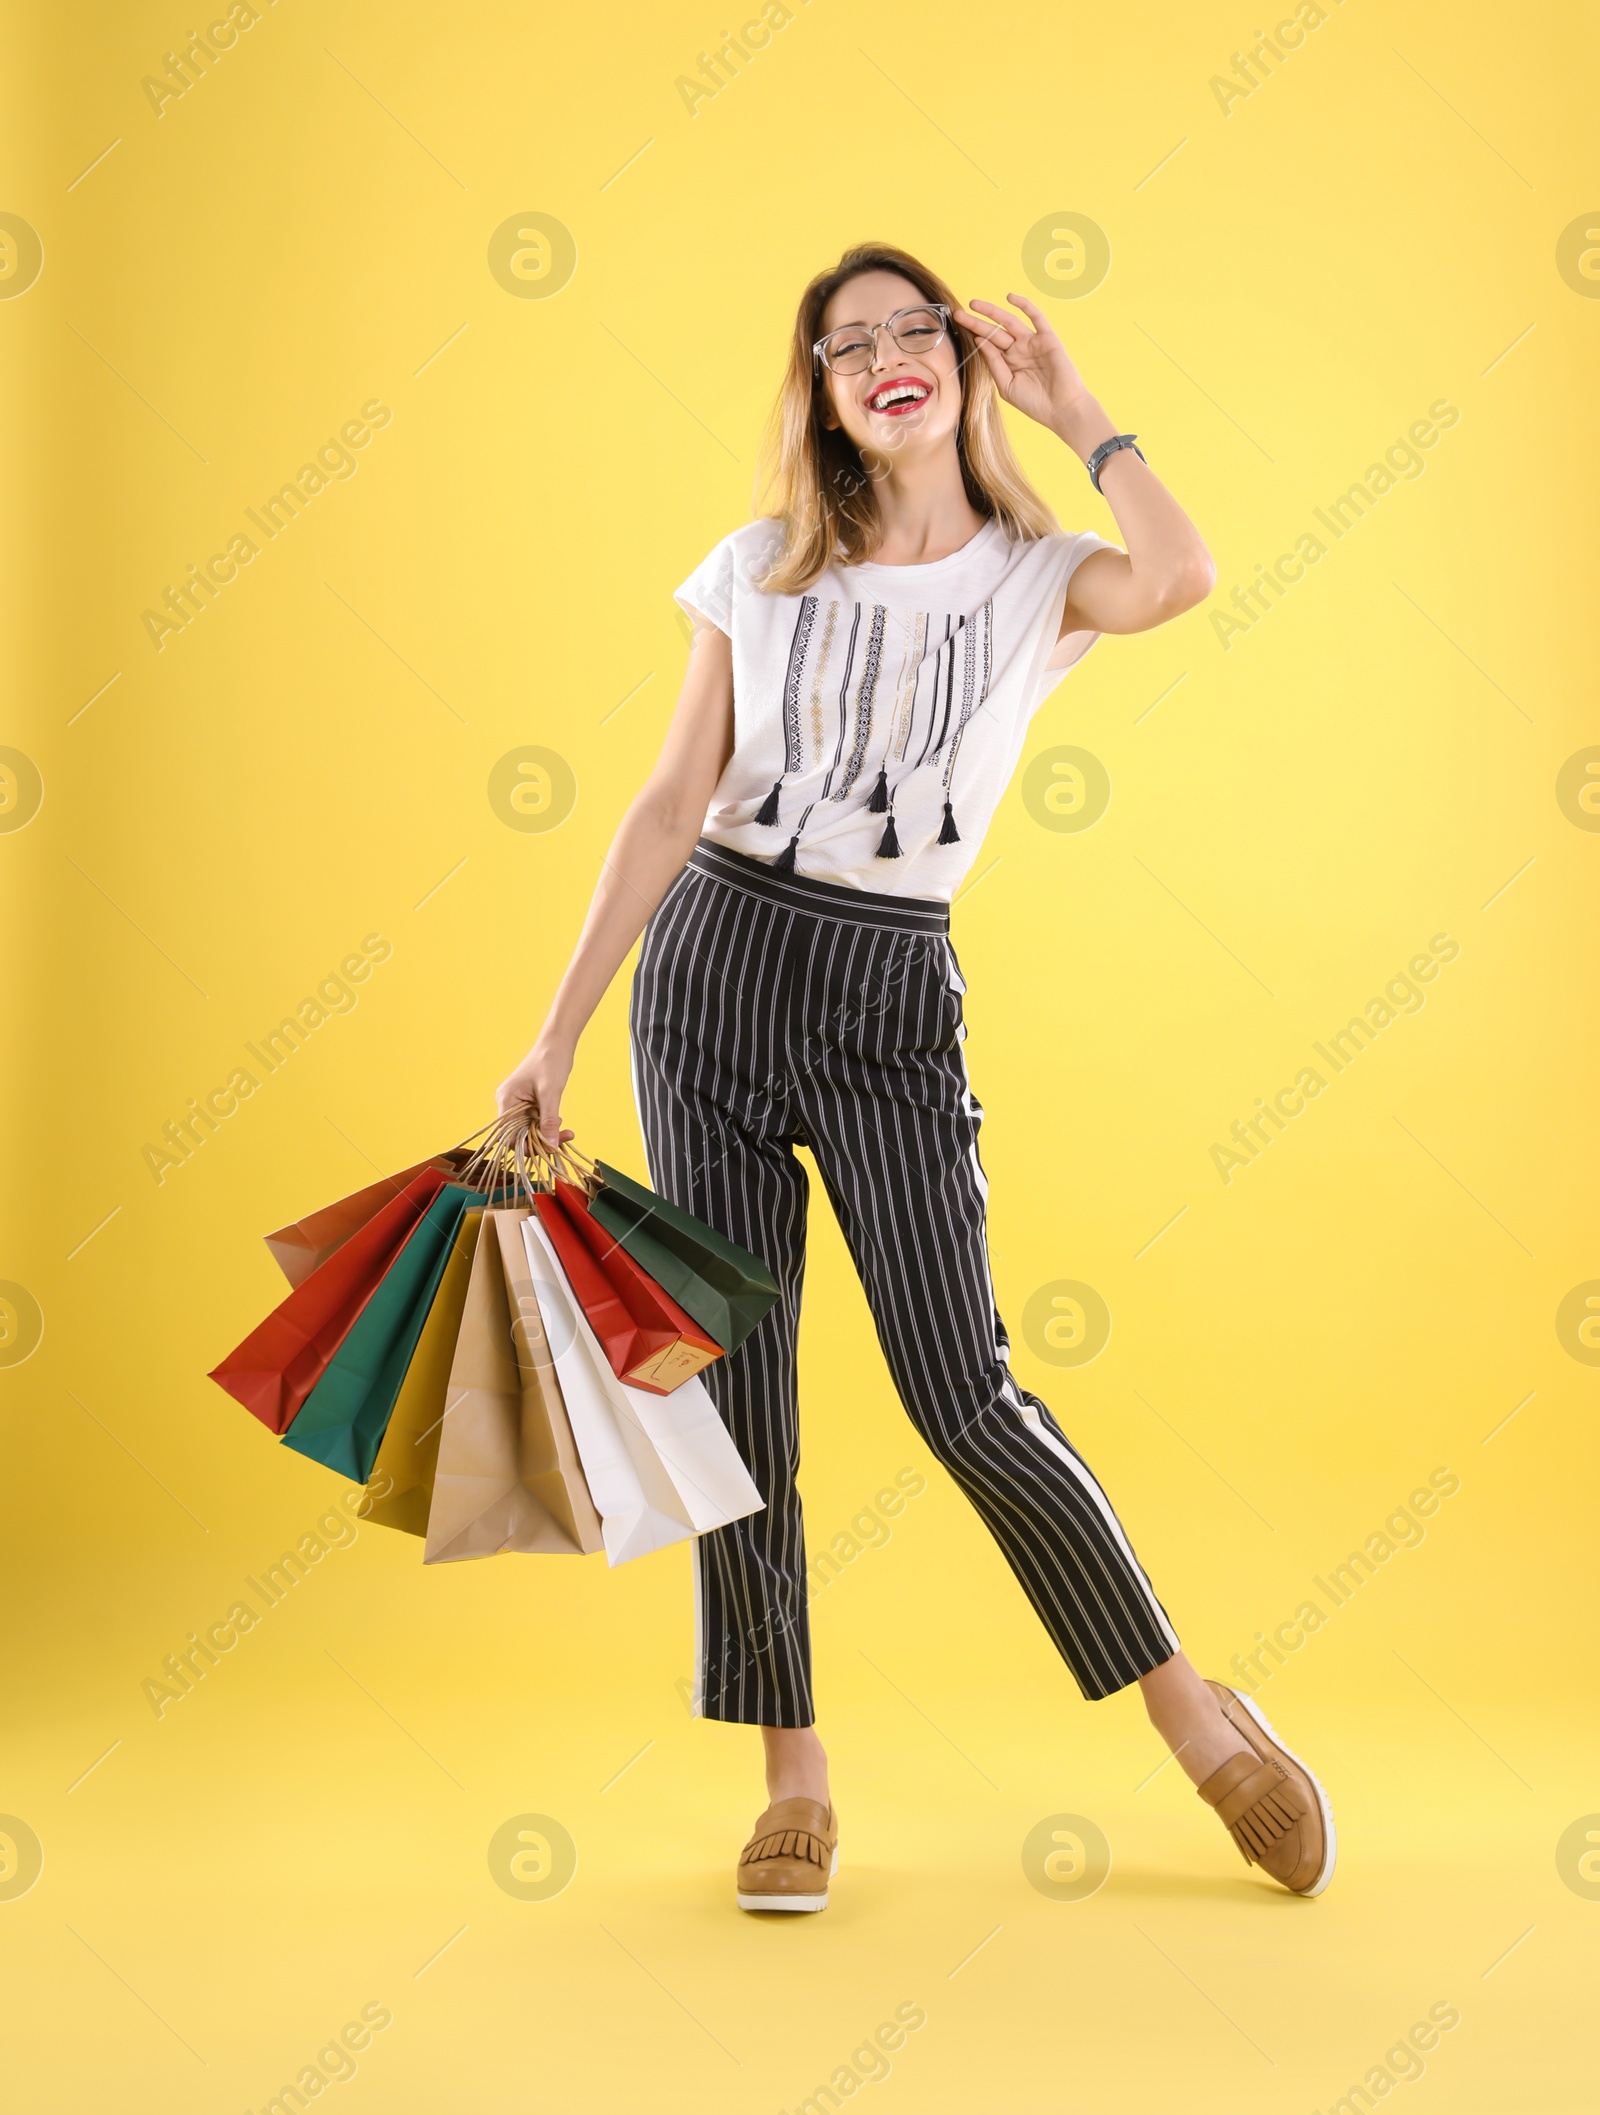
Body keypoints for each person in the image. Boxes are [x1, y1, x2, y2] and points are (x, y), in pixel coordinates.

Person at [497, 242, 1334, 1912]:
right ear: (816, 395)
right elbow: (669, 807)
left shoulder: (1039, 577)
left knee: (965, 1386)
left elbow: (1183, 574)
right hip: (715, 977)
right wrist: (559, 1029)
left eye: (909, 331)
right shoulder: (758, 569)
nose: (881, 357)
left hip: (890, 992)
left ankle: (1194, 1713)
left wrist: (1079, 408)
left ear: (960, 360)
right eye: (842, 345)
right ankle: (789, 1768)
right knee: (739, 1389)